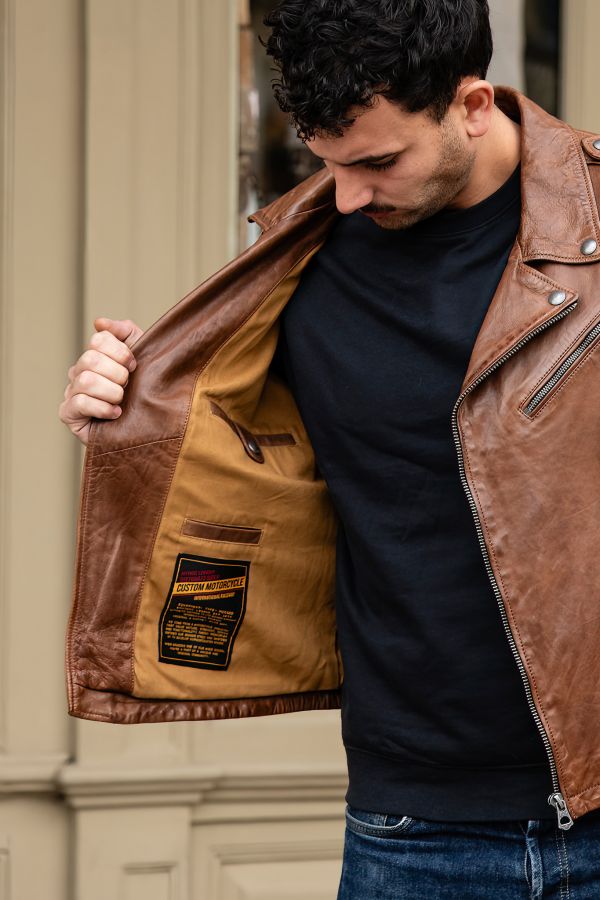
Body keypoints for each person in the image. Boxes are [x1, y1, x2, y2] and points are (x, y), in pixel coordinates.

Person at [60, 1, 600, 896]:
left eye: (378, 162)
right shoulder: (301, 264)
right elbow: (224, 447)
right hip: (411, 830)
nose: (347, 195)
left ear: (472, 105)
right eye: (327, 163)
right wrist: (124, 413)